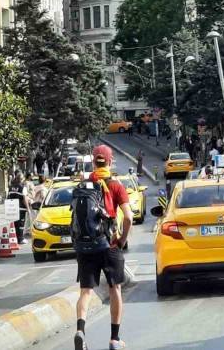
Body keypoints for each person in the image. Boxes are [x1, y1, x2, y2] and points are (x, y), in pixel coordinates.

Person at [74, 145, 132, 350]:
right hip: (109, 245)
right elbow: (129, 217)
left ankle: (80, 330)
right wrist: (122, 239)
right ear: (109, 161)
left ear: (93, 161)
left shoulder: (83, 185)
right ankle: (114, 339)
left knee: (86, 291)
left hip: (86, 245)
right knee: (115, 289)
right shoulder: (116, 185)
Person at [8, 171, 30, 245]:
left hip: (12, 209)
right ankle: (20, 239)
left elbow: (9, 198)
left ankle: (14, 238)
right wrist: (28, 209)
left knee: (15, 224)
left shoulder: (11, 187)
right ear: (22, 179)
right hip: (21, 209)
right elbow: (24, 199)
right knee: (21, 224)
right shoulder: (23, 187)